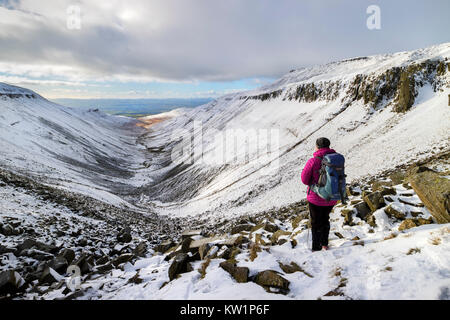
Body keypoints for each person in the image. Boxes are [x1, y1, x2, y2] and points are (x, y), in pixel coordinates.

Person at [301, 137, 338, 252]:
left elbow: (305, 180)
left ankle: (316, 248)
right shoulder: (336, 159)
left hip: (316, 198)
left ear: (317, 147)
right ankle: (325, 244)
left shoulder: (313, 161)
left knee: (316, 223)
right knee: (325, 219)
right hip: (331, 198)